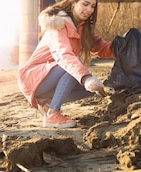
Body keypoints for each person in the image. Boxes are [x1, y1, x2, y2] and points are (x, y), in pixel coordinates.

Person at [17, 0, 114, 128]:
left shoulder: (82, 28)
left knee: (95, 89)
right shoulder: (57, 25)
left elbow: (102, 49)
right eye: (85, 4)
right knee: (75, 67)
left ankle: (47, 101)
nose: (90, 9)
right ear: (73, 3)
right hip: (33, 77)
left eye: (93, 6)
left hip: (52, 75)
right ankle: (52, 114)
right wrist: (86, 78)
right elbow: (64, 56)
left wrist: (122, 46)